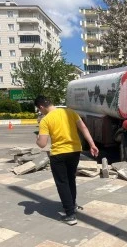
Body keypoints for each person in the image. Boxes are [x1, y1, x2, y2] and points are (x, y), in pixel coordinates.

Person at [34, 95, 99, 225]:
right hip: (75, 151)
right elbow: (83, 128)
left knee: (62, 183)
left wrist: (37, 140)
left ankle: (70, 214)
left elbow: (42, 143)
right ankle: (72, 205)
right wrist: (92, 144)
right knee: (70, 179)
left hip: (59, 154)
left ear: (41, 107)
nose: (40, 112)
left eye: (39, 110)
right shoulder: (70, 112)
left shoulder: (45, 120)